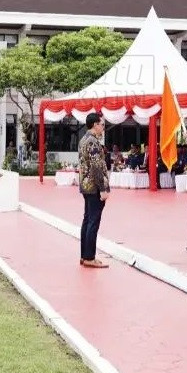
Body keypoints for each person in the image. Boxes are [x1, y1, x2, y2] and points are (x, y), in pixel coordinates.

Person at [77, 113, 109, 268]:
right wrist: (102, 188)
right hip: (94, 186)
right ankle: (90, 257)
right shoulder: (93, 142)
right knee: (93, 222)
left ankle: (84, 255)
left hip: (85, 185)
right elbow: (96, 166)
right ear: (95, 125)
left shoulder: (83, 140)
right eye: (102, 124)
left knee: (87, 220)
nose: (103, 127)